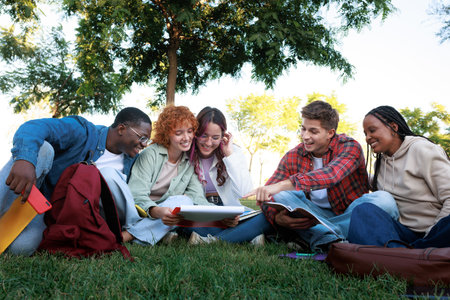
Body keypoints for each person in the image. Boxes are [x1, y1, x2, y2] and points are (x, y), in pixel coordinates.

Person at [246, 100, 398, 252]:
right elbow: (269, 193)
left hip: (350, 214)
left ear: (330, 133)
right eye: (303, 129)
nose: (305, 136)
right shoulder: (294, 155)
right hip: (314, 217)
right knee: (282, 195)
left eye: (313, 131)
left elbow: (331, 175)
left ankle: (320, 237)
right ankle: (334, 240)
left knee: (384, 200)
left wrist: (280, 185)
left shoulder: (349, 146)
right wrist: (277, 219)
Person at [0, 107, 152, 255]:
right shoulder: (83, 132)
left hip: (55, 214)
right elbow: (33, 127)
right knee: (44, 149)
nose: (144, 144)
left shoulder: (133, 163)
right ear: (121, 129)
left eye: (147, 140)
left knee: (21, 248)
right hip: (37, 189)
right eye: (142, 137)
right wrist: (25, 160)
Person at [127, 105, 236, 245]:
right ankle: (131, 235)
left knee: (185, 203)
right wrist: (157, 211)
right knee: (182, 202)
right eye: (179, 133)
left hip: (167, 216)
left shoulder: (189, 161)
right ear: (167, 134)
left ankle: (146, 236)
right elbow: (136, 195)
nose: (187, 138)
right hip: (142, 213)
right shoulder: (150, 155)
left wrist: (221, 216)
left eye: (190, 131)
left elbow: (197, 197)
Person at [348, 106, 450, 248]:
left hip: (435, 232)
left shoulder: (421, 149)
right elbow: (372, 184)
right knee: (363, 211)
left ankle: (406, 257)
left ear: (393, 127)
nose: (367, 138)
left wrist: (431, 234)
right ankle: (404, 257)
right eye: (365, 133)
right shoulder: (380, 163)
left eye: (372, 130)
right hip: (404, 234)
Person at [181, 107, 271, 245]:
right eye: (204, 135)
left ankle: (211, 240)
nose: (208, 143)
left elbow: (245, 191)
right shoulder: (186, 153)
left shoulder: (233, 152)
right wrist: (218, 219)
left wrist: (229, 155)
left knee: (266, 217)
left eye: (215, 137)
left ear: (223, 136)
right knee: (180, 220)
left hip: (229, 209)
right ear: (195, 133)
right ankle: (244, 236)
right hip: (200, 208)